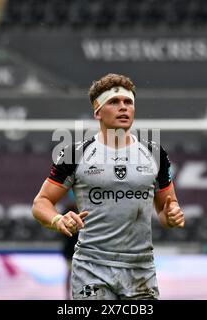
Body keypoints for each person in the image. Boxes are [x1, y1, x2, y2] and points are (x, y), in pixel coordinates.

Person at [32, 73, 185, 300]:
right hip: (92, 268)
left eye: (128, 102)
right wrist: (57, 220)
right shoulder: (75, 153)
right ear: (97, 111)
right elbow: (41, 203)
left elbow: (165, 211)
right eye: (114, 102)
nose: (123, 107)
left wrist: (171, 217)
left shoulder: (154, 153)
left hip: (140, 269)